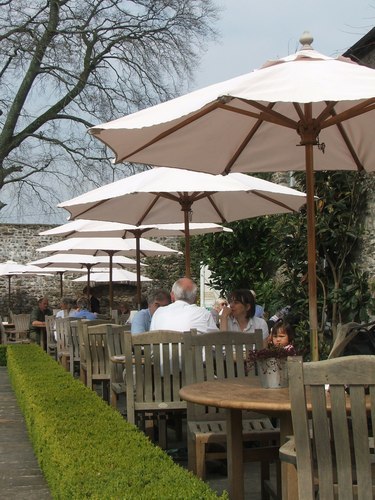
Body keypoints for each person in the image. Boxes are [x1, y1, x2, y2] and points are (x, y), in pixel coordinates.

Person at [150, 277, 218, 333]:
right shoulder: (203, 314)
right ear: (195, 298)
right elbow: (218, 344)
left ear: (172, 296)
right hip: (191, 349)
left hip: (163, 350)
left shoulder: (158, 313)